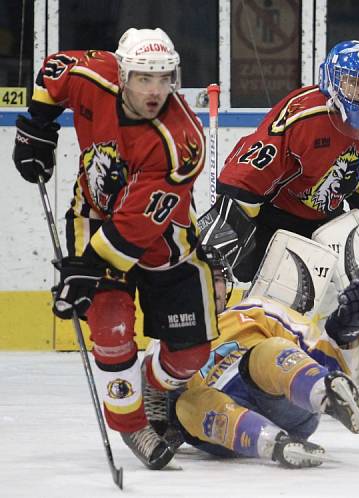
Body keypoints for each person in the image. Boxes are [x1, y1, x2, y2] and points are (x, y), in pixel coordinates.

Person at [198, 40, 359, 418]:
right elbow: (247, 179)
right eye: (351, 82)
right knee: (288, 297)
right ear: (330, 79)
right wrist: (228, 224)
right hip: (274, 216)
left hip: (326, 215)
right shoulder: (301, 117)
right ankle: (261, 374)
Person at [12, 28, 217, 468]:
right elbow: (53, 71)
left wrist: (86, 268)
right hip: (94, 218)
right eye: (144, 78)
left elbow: (135, 228)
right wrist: (37, 126)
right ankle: (131, 425)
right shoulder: (93, 74)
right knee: (111, 328)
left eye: (164, 79)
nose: (156, 90)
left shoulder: (179, 141)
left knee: (191, 354)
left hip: (164, 242)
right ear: (122, 75)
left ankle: (154, 384)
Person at [166, 270, 359, 468]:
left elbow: (318, 360)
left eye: (217, 279)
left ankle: (326, 396)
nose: (211, 288)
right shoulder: (165, 348)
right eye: (199, 280)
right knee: (186, 403)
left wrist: (343, 331)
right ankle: (277, 444)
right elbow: (161, 422)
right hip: (227, 427)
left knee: (266, 352)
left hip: (285, 402)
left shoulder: (254, 311)